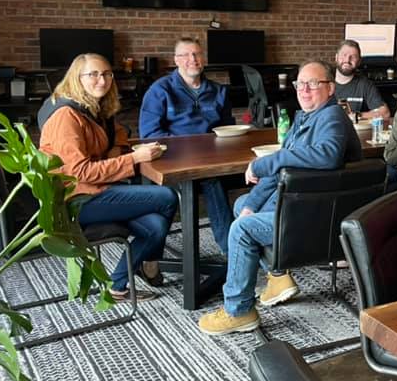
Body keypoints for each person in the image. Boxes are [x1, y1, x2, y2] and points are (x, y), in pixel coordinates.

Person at [198, 61, 362, 335]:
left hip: (318, 219)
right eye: (300, 84)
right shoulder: (305, 117)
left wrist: (264, 163)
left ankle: (238, 311)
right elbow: (280, 172)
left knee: (241, 229)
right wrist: (252, 204)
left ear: (330, 88)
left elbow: (328, 155)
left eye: (314, 83)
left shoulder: (332, 116)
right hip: (304, 205)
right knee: (241, 206)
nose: (305, 89)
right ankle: (278, 276)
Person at [38, 53, 177, 300]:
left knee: (155, 227)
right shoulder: (66, 116)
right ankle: (151, 261)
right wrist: (134, 159)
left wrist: (112, 155)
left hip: (99, 190)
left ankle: (118, 286)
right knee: (166, 196)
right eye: (93, 74)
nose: (102, 80)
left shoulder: (95, 107)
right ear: (76, 78)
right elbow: (80, 172)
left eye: (107, 74)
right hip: (75, 201)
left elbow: (119, 134)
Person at [139, 36, 235, 254]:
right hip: (173, 162)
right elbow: (149, 134)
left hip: (212, 161)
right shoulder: (160, 90)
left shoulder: (218, 91)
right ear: (176, 60)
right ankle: (231, 251)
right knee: (212, 181)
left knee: (259, 173)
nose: (193, 59)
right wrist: (184, 151)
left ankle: (254, 240)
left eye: (197, 54)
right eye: (186, 55)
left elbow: (227, 128)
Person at [333, 39, 390, 120]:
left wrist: (356, 116)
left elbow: (385, 113)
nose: (347, 60)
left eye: (353, 57)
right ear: (336, 57)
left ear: (359, 61)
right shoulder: (324, 81)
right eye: (344, 55)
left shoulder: (365, 84)